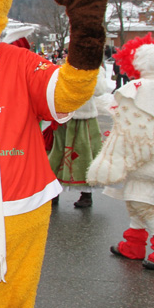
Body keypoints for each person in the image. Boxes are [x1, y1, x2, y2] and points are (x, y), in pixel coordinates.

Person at [88, 36, 154, 270]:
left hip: (143, 160)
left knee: (142, 203)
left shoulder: (135, 90)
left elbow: (130, 130)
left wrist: (114, 158)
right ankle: (134, 244)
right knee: (139, 201)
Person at [48, 63, 109, 208]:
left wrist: (89, 74)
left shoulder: (95, 69)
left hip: (84, 116)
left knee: (84, 155)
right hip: (64, 116)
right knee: (58, 154)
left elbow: (100, 90)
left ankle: (86, 194)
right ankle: (54, 192)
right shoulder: (65, 67)